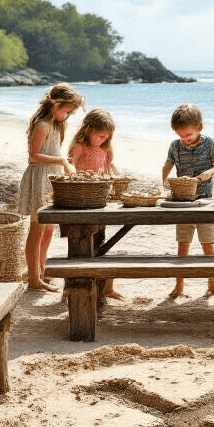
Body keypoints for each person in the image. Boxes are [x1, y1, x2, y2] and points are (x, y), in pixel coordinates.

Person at [18, 83, 84, 291]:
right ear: (55, 104)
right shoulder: (42, 125)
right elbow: (33, 155)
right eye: (66, 110)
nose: (67, 115)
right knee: (37, 228)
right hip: (39, 178)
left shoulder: (56, 124)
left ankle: (42, 269)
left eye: (70, 113)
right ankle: (33, 278)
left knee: (49, 228)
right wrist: (62, 161)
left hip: (52, 178)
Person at [161, 103, 214, 298]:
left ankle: (212, 284)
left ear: (199, 127)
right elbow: (168, 164)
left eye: (188, 135)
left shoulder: (210, 143)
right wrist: (164, 179)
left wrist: (211, 171)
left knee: (208, 243)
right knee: (183, 244)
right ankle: (179, 287)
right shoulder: (175, 146)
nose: (185, 140)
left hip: (205, 200)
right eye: (181, 136)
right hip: (183, 201)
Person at [68, 108, 123, 299]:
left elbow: (108, 171)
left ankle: (106, 287)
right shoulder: (79, 147)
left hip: (99, 201)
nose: (102, 140)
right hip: (81, 201)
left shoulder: (105, 150)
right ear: (88, 129)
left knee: (102, 242)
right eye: (99, 136)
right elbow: (68, 170)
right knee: (80, 245)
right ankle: (72, 286)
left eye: (106, 137)